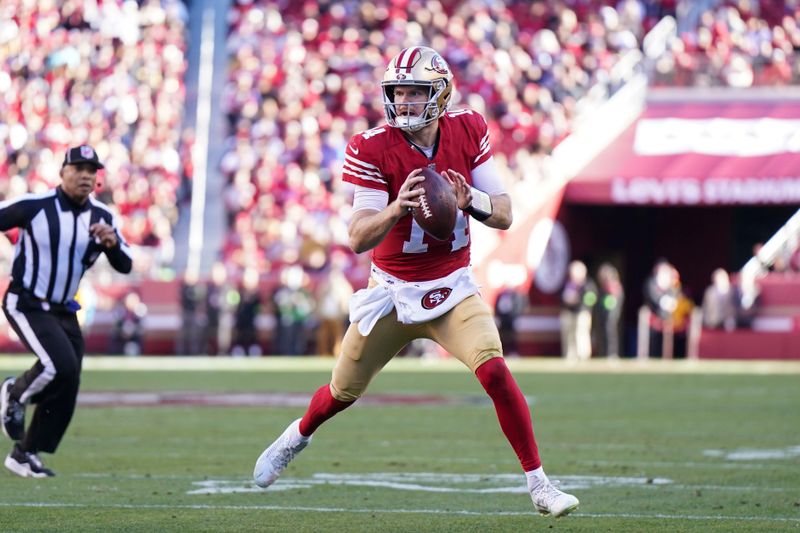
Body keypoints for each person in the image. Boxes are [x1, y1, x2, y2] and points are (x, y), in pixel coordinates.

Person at [253, 47, 579, 518]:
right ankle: (296, 436)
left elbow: (506, 212)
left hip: (452, 286)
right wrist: (396, 207)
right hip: (390, 291)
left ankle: (540, 485)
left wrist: (472, 202)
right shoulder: (372, 146)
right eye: (398, 92)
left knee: (493, 370)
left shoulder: (468, 128)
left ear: (440, 94)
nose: (404, 102)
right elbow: (358, 236)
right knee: (341, 393)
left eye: (415, 92)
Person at [0, 145, 133, 477]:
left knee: (69, 379)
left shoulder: (102, 217)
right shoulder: (35, 207)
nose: (86, 175)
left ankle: (24, 453)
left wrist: (112, 243)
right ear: (63, 173)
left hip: (63, 309)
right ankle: (14, 392)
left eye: (92, 170)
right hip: (27, 302)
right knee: (57, 365)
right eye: (79, 168)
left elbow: (126, 264)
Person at [559, 260, 597, 361]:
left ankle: (582, 356)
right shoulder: (567, 283)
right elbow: (560, 295)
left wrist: (577, 300)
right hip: (568, 312)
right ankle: (569, 356)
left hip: (582, 312)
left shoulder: (588, 284)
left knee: (581, 334)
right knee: (568, 334)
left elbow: (591, 299)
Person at [594, 262, 624, 357]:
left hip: (611, 315)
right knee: (602, 334)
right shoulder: (603, 288)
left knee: (610, 333)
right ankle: (603, 353)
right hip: (603, 315)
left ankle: (612, 353)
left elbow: (615, 302)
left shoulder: (614, 286)